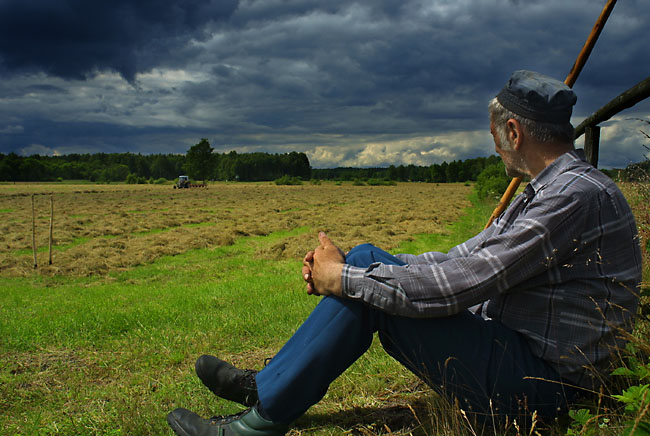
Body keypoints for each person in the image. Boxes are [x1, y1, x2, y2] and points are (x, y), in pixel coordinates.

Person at [166, 70, 642, 436]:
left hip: (546, 390)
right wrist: (353, 262)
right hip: (522, 360)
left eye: (496, 138)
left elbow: (464, 284)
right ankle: (270, 386)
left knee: (373, 295)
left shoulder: (572, 197)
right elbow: (462, 257)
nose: (497, 149)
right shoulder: (551, 190)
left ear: (514, 132)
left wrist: (344, 280)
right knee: (369, 260)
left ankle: (262, 414)